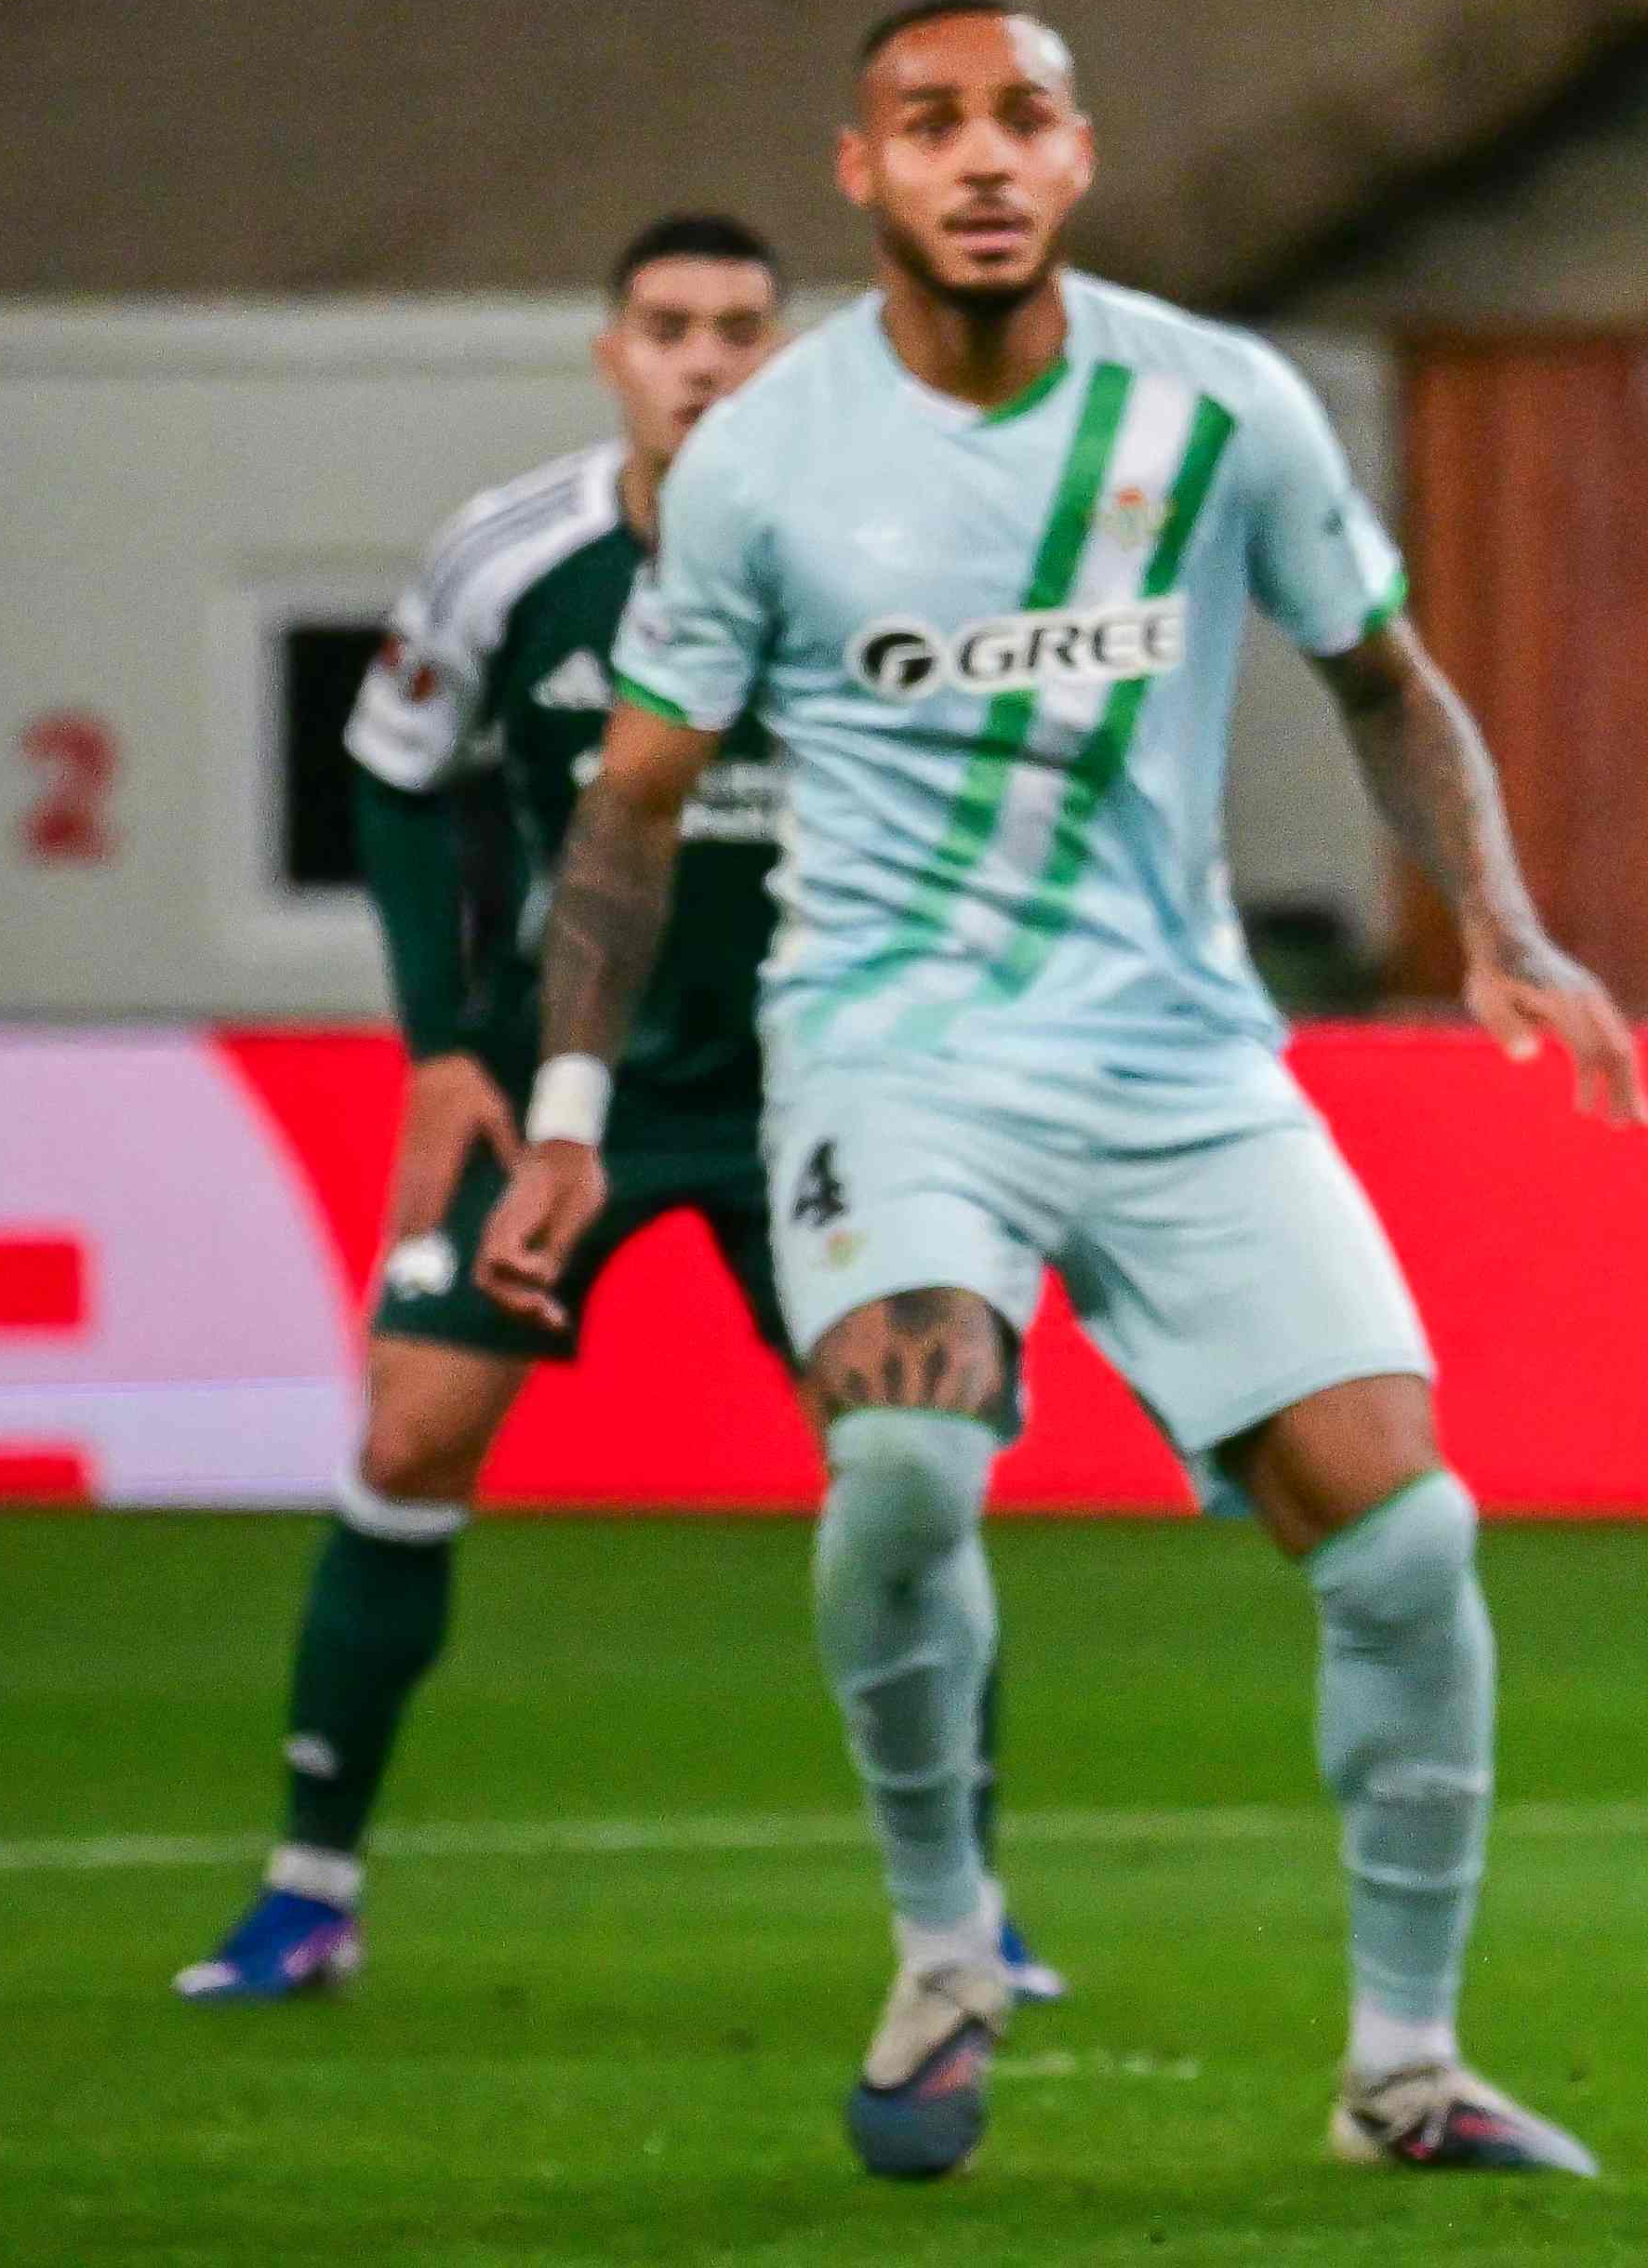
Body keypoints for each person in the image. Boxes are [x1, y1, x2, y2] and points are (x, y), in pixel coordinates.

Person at [477, 0, 1648, 2182]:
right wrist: (562, 1112)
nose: (981, 159)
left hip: (1180, 1054)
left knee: (1411, 1544)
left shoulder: (1219, 407)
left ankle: (1404, 2069)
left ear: (1080, 157)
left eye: (1020, 119)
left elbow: (1384, 684)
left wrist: (1497, 917)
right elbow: (630, 813)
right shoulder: (765, 462)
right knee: (909, 1473)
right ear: (866, 176)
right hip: (895, 1049)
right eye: (931, 126)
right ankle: (944, 1946)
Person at [185, 215, 1058, 2009]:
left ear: (791, 350)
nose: (706, 360)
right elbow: (396, 774)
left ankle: (966, 1903)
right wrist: (444, 1040)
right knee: (414, 1434)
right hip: (552, 1089)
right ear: (612, 353)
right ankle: (307, 1886)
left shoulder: (885, 555)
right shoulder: (515, 557)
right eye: (670, 327)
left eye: (742, 327)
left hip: (825, 1096)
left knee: (909, 1476)